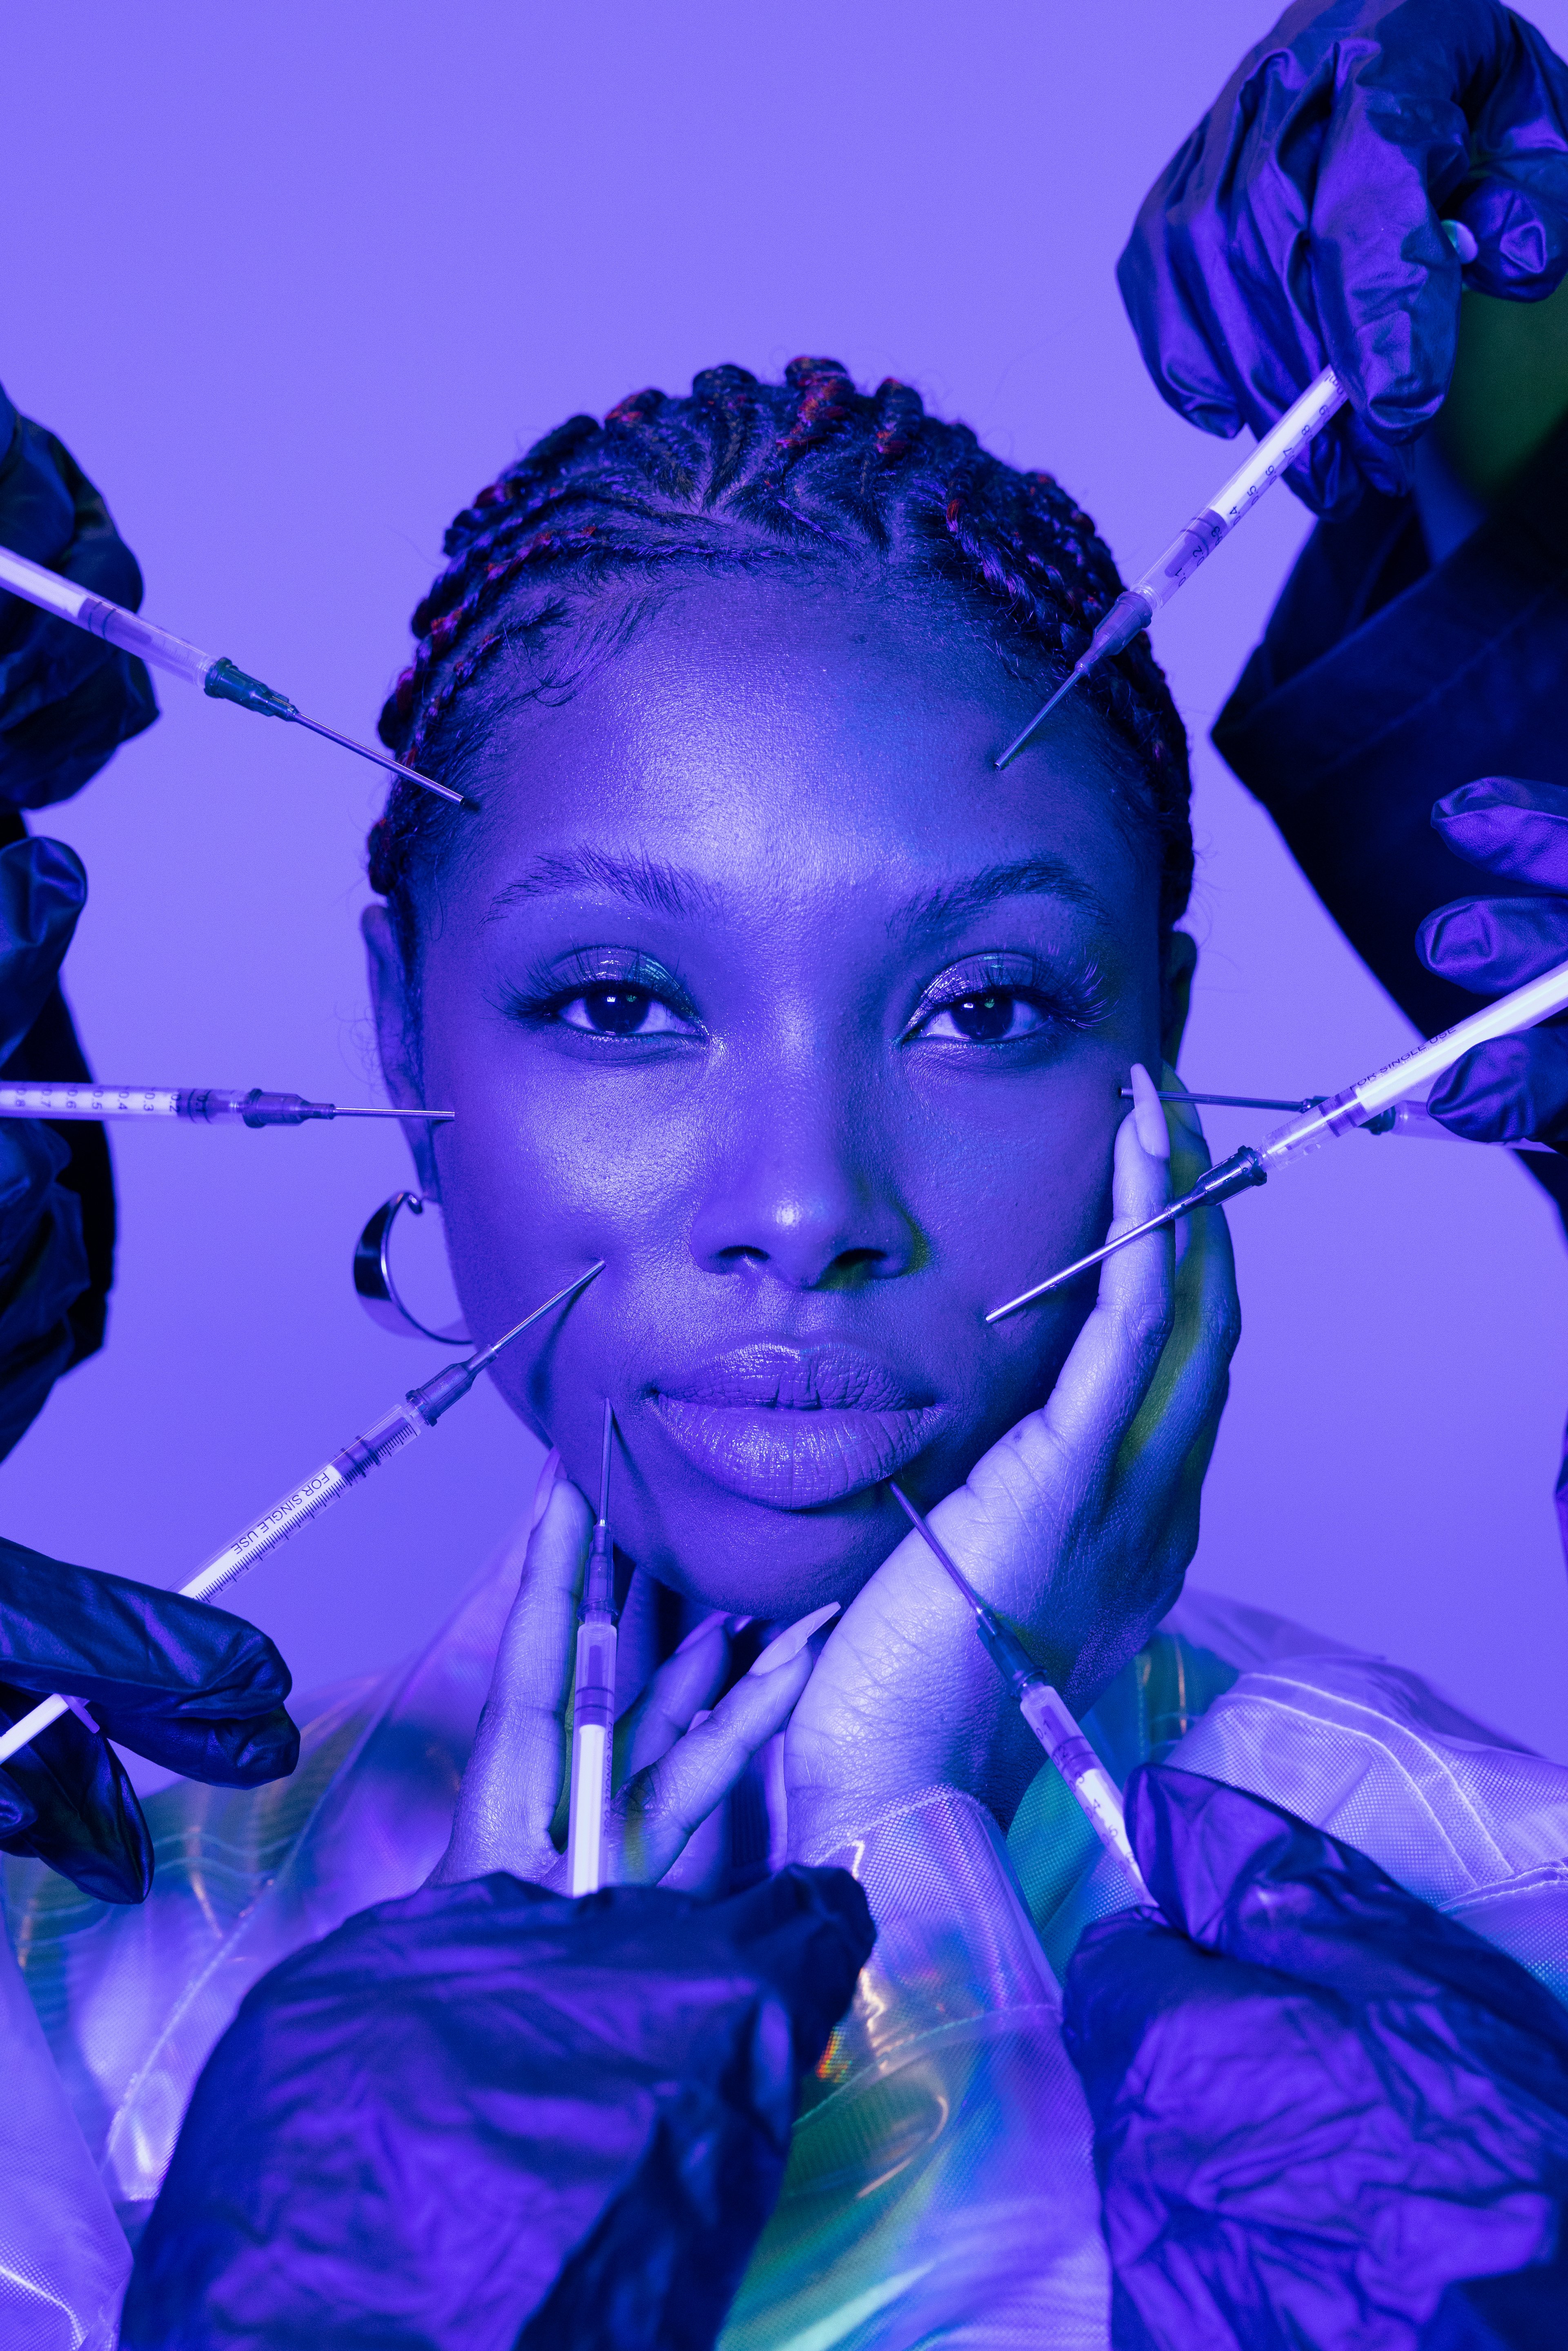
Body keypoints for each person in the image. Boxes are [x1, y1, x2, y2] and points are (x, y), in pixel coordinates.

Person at [9, 359, 1568, 2346]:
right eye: (617, 1000)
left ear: (1153, 1059)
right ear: (404, 1038)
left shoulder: (1503, 1954)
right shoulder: (62, 1959)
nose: (803, 1201)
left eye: (987, 1008)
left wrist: (901, 1826)